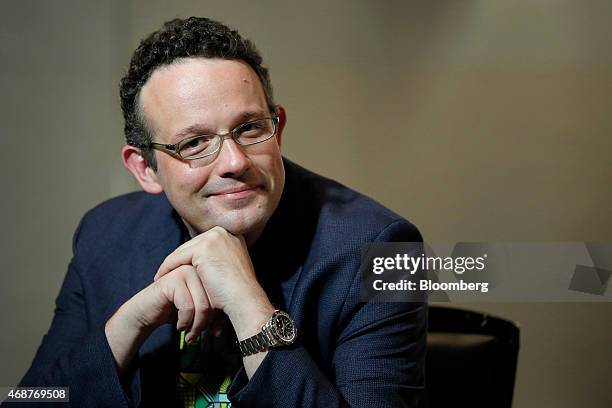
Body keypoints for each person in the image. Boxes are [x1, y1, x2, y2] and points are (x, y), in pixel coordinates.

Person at [18, 17, 426, 407]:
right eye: (194, 143)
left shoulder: (384, 249)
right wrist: (126, 327)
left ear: (277, 129)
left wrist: (250, 306)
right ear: (145, 169)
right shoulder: (104, 234)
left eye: (249, 128)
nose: (234, 161)